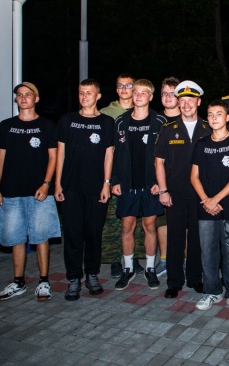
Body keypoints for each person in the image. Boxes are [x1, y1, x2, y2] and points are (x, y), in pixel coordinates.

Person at [0, 82, 62, 302]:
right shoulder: (6, 126)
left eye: (28, 94)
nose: (23, 98)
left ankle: (44, 281)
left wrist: (46, 184)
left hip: (39, 192)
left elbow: (53, 157)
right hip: (11, 191)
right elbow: (0, 159)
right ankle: (18, 282)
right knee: (16, 238)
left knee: (41, 237)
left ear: (36, 99)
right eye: (20, 95)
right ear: (16, 99)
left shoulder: (47, 125)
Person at [54, 78, 114, 301]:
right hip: (71, 187)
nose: (84, 96)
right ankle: (73, 278)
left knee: (93, 234)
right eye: (81, 92)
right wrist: (58, 183)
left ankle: (92, 275)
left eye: (89, 92)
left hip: (96, 188)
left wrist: (106, 183)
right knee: (72, 234)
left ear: (98, 96)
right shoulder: (67, 120)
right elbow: (60, 153)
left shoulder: (106, 122)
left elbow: (109, 155)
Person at [191, 100, 229, 313]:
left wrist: (215, 199)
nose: (214, 117)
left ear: (227, 117)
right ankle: (212, 291)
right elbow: (194, 176)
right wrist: (206, 200)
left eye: (219, 113)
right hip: (205, 207)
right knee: (208, 251)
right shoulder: (201, 144)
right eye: (210, 114)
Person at [155, 80, 209, 298]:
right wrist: (163, 190)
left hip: (200, 194)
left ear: (198, 102)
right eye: (182, 100)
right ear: (178, 102)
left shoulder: (208, 128)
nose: (186, 104)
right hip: (175, 193)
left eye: (191, 100)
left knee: (197, 237)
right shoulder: (168, 129)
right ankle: (174, 282)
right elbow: (159, 162)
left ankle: (195, 278)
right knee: (175, 238)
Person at [111, 79, 166, 290]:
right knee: (127, 227)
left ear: (151, 96)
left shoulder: (159, 121)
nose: (139, 96)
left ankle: (150, 268)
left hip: (150, 185)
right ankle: (128, 269)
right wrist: (115, 180)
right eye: (136, 92)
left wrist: (160, 183)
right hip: (127, 184)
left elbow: (165, 156)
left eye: (144, 93)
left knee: (149, 226)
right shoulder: (121, 121)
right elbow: (114, 153)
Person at [100, 73, 145, 278]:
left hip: (136, 175)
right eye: (120, 85)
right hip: (113, 173)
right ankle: (113, 260)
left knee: (135, 219)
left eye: (128, 85)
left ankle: (133, 257)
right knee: (112, 220)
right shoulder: (106, 113)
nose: (124, 89)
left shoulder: (142, 110)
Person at [154, 76, 181, 278]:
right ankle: (163, 259)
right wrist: (156, 182)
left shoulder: (189, 118)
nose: (168, 97)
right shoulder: (154, 120)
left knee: (186, 224)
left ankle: (185, 260)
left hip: (183, 181)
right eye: (164, 93)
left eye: (172, 93)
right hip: (160, 182)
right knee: (162, 222)